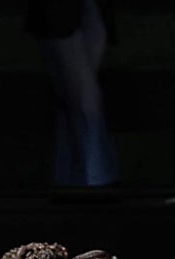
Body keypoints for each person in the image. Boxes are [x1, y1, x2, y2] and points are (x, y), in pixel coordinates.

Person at [26, 0, 119, 186]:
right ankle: (94, 181)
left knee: (78, 102)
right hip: (62, 16)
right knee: (85, 101)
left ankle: (77, 180)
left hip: (79, 13)